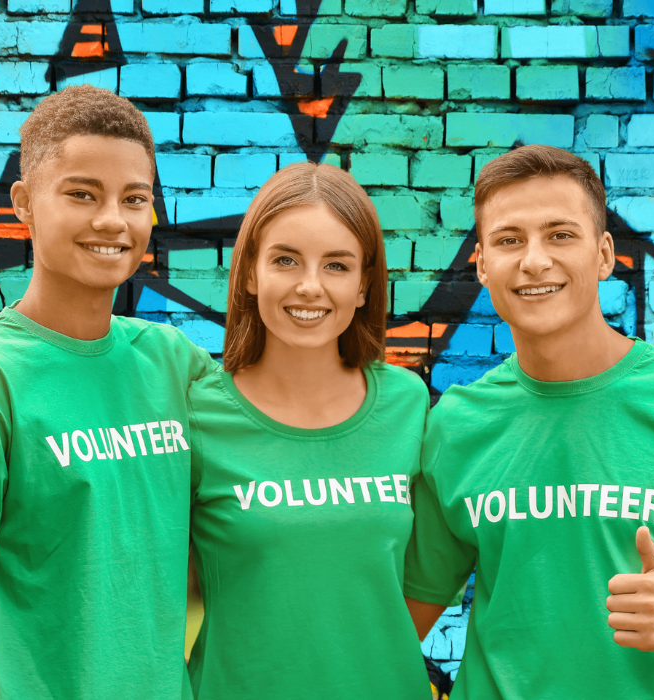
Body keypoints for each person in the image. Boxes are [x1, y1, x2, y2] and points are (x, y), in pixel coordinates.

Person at [404, 144, 654, 699]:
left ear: (604, 254)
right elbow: (404, 617)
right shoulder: (457, 422)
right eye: (510, 240)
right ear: (483, 264)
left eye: (560, 235)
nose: (535, 260)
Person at [0, 85, 216, 700]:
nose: (112, 221)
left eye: (135, 199)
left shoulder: (174, 363)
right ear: (23, 203)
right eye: (81, 194)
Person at [185, 162, 432, 700]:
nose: (310, 286)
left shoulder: (407, 403)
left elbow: (435, 564)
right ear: (250, 272)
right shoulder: (196, 414)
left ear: (365, 284)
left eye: (337, 266)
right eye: (286, 260)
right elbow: (132, 556)